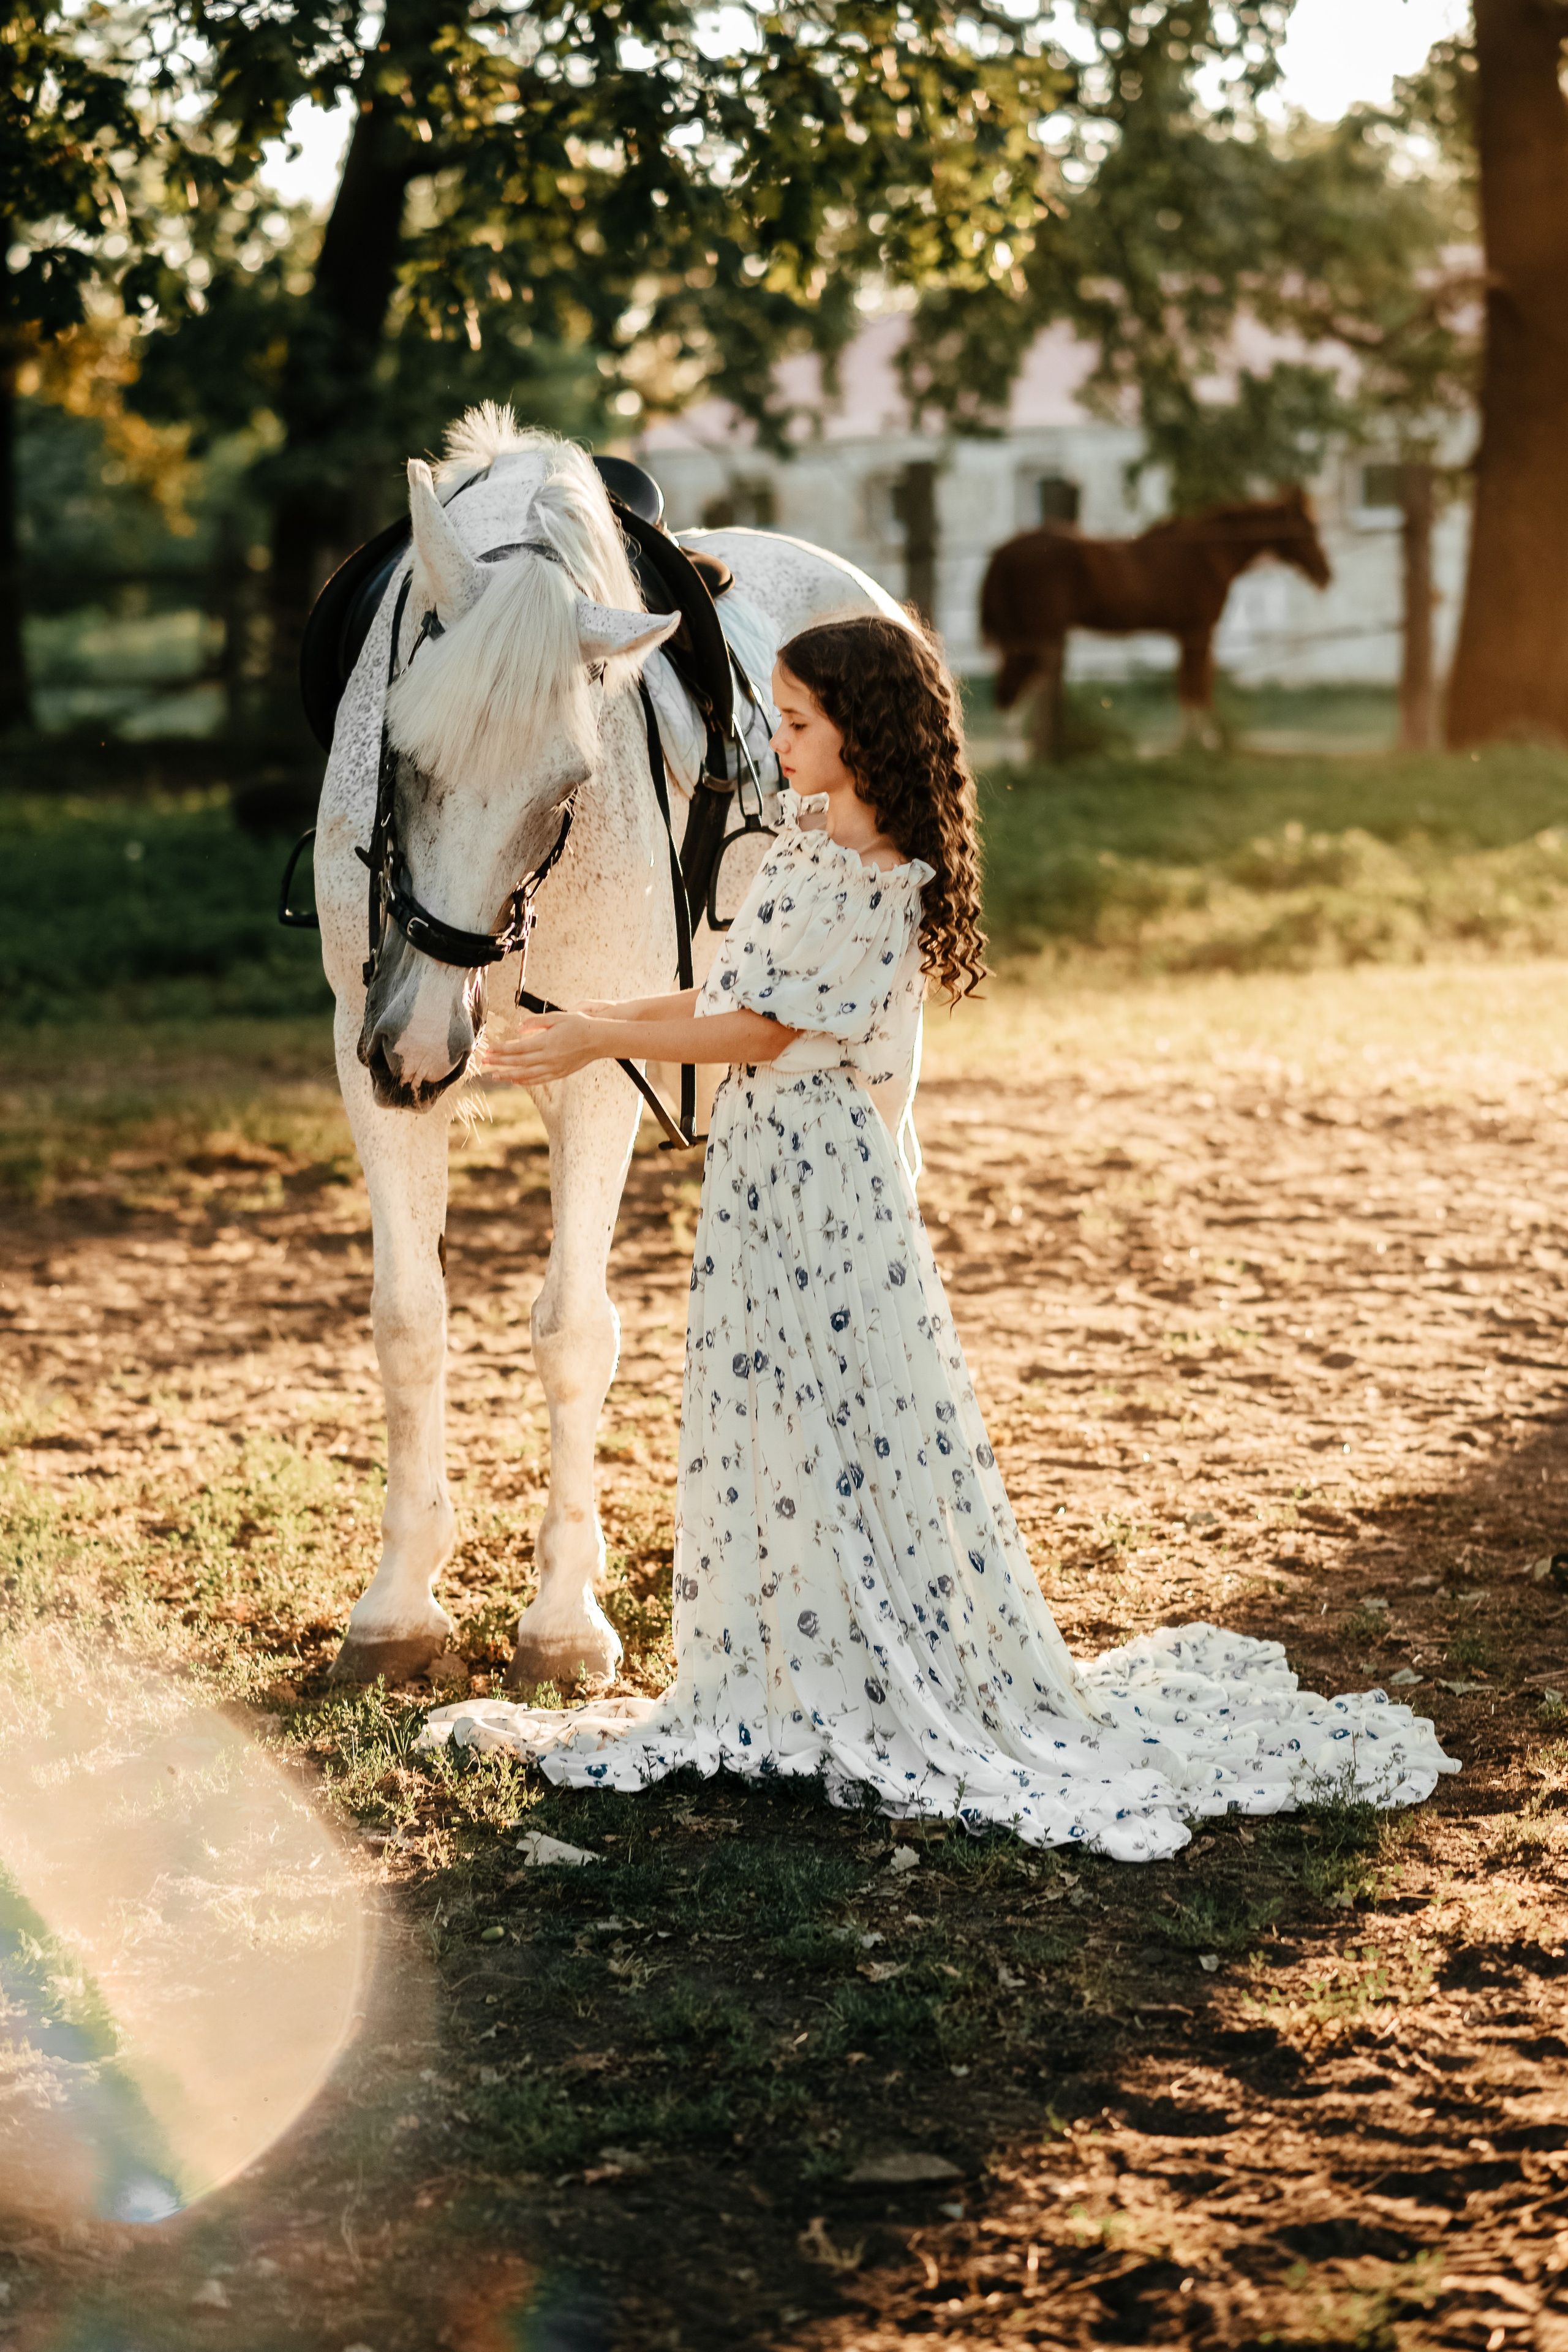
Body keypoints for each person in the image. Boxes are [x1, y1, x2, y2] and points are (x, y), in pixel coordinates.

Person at [420, 614, 1458, 1859]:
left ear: (862, 734)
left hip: (816, 1175)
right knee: (772, 1410)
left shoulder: (881, 869)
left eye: (798, 723)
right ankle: (785, 1663)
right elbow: (725, 1001)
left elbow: (760, 1034)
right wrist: (588, 1017)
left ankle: (863, 1663)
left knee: (841, 1412)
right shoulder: (805, 842)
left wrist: (603, 1040)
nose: (778, 741)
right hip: (763, 1167)